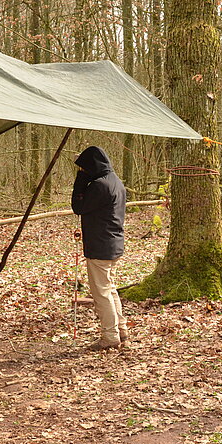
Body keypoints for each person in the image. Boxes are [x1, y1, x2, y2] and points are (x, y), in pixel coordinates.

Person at [71, 145, 128, 351]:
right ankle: (120, 329)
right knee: (109, 289)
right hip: (112, 243)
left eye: (84, 168)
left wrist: (80, 180)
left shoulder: (100, 185)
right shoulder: (115, 181)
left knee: (101, 293)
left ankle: (110, 336)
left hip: (101, 246)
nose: (83, 171)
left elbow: (78, 207)